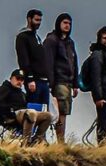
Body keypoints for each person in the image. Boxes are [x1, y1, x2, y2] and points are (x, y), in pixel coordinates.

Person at [0, 69, 52, 145]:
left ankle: (36, 140)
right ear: (11, 78)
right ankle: (26, 142)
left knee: (48, 116)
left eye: (22, 80)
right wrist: (10, 111)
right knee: (31, 113)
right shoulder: (4, 88)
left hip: (24, 115)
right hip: (9, 116)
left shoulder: (21, 93)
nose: (20, 81)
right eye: (18, 78)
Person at [43, 13, 78, 143]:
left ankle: (60, 141)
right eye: (65, 23)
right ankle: (60, 142)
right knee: (60, 111)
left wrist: (76, 84)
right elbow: (48, 63)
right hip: (58, 81)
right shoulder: (51, 40)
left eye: (69, 23)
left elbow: (74, 63)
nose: (67, 25)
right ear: (58, 23)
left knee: (64, 112)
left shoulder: (70, 42)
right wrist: (50, 83)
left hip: (68, 82)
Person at [15, 9, 50, 107]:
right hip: (34, 81)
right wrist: (30, 78)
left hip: (44, 81)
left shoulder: (37, 37)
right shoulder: (23, 37)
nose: (38, 23)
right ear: (29, 19)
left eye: (40, 20)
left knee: (44, 112)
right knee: (33, 111)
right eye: (36, 20)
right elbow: (23, 59)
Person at [88, 26, 106, 144]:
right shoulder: (97, 55)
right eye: (105, 38)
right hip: (103, 94)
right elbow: (96, 77)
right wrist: (98, 97)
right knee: (103, 122)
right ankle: (102, 146)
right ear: (99, 39)